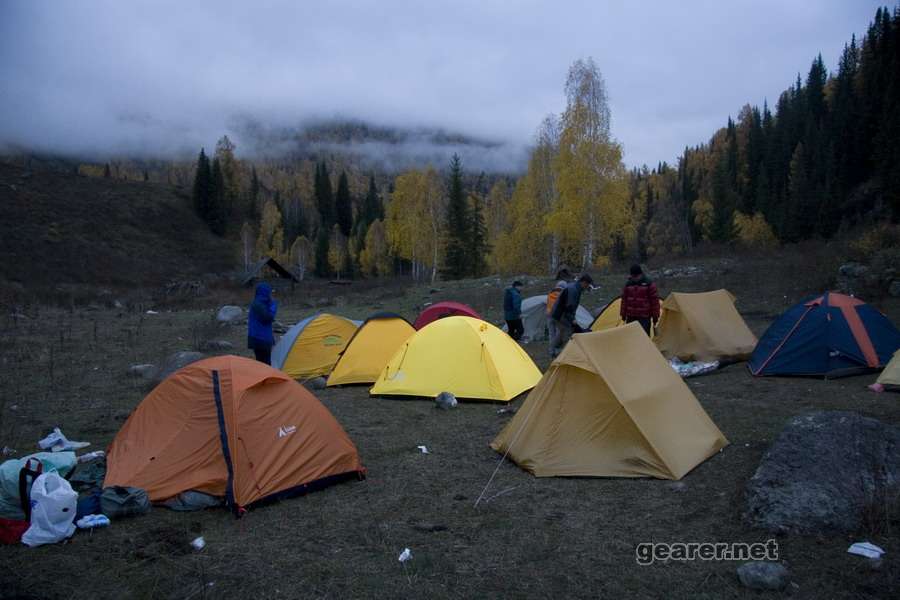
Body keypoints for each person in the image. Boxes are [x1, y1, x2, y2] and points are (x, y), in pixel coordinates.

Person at [549, 273, 593, 357]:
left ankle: (554, 351)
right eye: (587, 284)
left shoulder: (575, 288)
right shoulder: (573, 290)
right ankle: (562, 354)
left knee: (561, 332)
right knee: (567, 332)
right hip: (560, 314)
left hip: (560, 314)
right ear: (583, 282)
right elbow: (569, 306)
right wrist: (572, 319)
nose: (587, 287)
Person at [619, 264, 660, 336]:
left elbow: (655, 302)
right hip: (631, 316)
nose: (635, 278)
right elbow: (624, 300)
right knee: (631, 337)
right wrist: (623, 314)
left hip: (644, 317)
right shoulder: (628, 284)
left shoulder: (649, 284)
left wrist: (655, 316)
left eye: (636, 276)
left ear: (640, 274)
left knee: (644, 337)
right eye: (633, 276)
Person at [247, 282, 277, 364]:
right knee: (265, 364)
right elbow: (268, 318)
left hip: (259, 337)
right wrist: (273, 306)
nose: (271, 295)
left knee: (262, 363)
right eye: (270, 292)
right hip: (260, 338)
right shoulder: (258, 305)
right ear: (265, 292)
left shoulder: (261, 303)